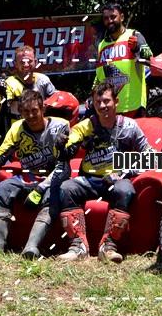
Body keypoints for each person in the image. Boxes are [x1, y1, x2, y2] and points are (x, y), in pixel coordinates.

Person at [56, 82, 154, 263]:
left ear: (116, 101)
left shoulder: (130, 126)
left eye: (107, 101)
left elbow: (151, 157)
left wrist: (124, 172)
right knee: (66, 188)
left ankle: (108, 247)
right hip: (89, 180)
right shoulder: (86, 126)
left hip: (117, 180)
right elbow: (71, 139)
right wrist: (63, 145)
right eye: (98, 102)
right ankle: (78, 247)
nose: (102, 106)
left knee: (125, 190)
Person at [0, 90, 69, 259]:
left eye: (34, 111)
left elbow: (64, 166)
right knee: (3, 187)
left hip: (53, 177)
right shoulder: (17, 128)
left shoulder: (60, 126)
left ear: (43, 109)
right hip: (28, 177)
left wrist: (40, 189)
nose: (30, 116)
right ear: (20, 112)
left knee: (52, 195)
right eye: (26, 111)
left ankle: (31, 247)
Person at [93, 2, 153, 117]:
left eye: (113, 17)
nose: (109, 21)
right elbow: (99, 75)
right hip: (110, 109)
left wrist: (136, 49)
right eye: (106, 18)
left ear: (122, 17)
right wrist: (92, 94)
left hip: (134, 107)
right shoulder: (102, 45)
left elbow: (149, 58)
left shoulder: (134, 35)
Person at [0, 45, 57, 136]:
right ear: (15, 64)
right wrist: (1, 95)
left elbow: (57, 102)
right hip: (20, 134)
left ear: (35, 62)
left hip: (43, 132)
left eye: (29, 61)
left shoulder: (43, 80)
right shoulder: (10, 83)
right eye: (22, 62)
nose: (26, 65)